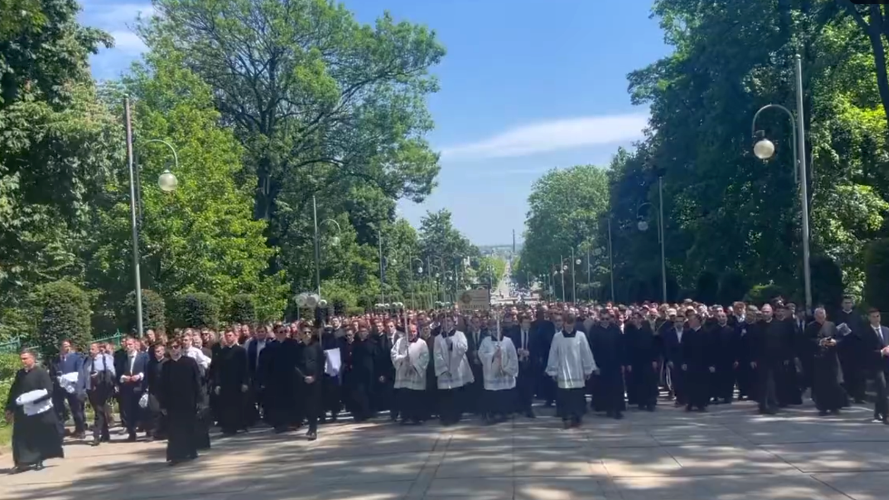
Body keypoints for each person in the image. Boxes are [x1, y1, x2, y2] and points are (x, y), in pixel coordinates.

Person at [5, 349, 64, 473]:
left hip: (38, 410)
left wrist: (34, 401)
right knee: (19, 437)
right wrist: (9, 408)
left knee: (38, 436)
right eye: (21, 359)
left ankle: (39, 460)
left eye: (25, 358)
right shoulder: (20, 374)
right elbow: (14, 391)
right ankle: (22, 462)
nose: (23, 361)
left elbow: (49, 390)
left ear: (33, 358)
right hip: (22, 410)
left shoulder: (41, 373)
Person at [546, 312, 597, 429]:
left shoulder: (581, 336)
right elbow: (553, 354)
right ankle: (566, 417)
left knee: (577, 396)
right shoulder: (557, 337)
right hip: (563, 370)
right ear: (564, 324)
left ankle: (577, 417)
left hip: (577, 371)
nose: (569, 326)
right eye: (567, 324)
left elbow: (586, 353)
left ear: (574, 324)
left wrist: (588, 369)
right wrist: (553, 371)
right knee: (564, 396)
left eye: (571, 324)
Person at [158, 339, 204, 465]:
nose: (174, 350)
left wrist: (200, 400)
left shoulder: (190, 362)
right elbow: (162, 387)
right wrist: (163, 404)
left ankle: (191, 451)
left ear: (180, 348)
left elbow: (197, 382)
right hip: (172, 403)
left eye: (176, 347)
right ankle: (175, 455)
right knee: (174, 430)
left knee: (189, 427)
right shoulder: (166, 366)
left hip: (188, 401)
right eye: (171, 347)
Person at [805, 308, 846, 415]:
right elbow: (806, 341)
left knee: (834, 383)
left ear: (825, 315)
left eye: (822, 315)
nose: (820, 317)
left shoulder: (831, 325)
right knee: (821, 384)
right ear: (815, 316)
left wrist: (835, 342)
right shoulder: (810, 327)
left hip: (831, 358)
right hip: (818, 359)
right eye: (818, 315)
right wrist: (820, 342)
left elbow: (840, 339)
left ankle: (835, 406)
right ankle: (822, 407)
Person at [433, 316, 474, 425]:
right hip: (444, 370)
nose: (447, 323)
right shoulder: (438, 338)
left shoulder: (459, 334)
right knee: (445, 394)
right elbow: (436, 354)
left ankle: (456, 415)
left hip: (457, 367)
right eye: (444, 321)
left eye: (449, 321)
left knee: (456, 393)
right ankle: (445, 416)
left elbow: (464, 347)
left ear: (453, 323)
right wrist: (444, 368)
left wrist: (452, 344)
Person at [478, 318, 518, 424]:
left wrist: (508, 369)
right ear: (490, 330)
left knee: (504, 394)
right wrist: (492, 355)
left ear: (501, 329)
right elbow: (481, 355)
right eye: (493, 328)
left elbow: (513, 357)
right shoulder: (486, 341)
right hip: (491, 373)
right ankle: (492, 413)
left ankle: (504, 412)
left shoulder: (508, 341)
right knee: (493, 394)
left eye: (497, 328)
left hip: (504, 373)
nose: (495, 331)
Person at [391, 323, 429, 425]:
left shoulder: (422, 343)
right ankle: (405, 416)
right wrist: (403, 358)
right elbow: (393, 354)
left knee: (416, 396)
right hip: (403, 373)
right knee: (404, 396)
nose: (412, 333)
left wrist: (415, 366)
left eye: (414, 331)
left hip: (415, 373)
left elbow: (425, 357)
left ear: (417, 331)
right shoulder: (400, 342)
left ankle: (416, 417)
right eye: (410, 331)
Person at [213, 329, 249, 435]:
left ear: (235, 336)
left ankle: (239, 425)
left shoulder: (241, 351)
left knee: (238, 404)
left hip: (237, 382)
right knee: (226, 406)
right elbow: (217, 369)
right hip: (225, 383)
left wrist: (245, 382)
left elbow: (245, 367)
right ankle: (228, 427)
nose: (228, 338)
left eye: (230, 335)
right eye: (226, 336)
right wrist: (217, 383)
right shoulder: (222, 351)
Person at [48, 339, 86, 440]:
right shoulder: (55, 360)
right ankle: (60, 432)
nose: (66, 348)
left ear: (71, 347)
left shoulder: (77, 358)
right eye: (64, 346)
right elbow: (51, 374)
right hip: (59, 388)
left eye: (67, 346)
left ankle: (80, 430)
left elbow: (79, 372)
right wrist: (57, 379)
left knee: (76, 409)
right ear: (60, 347)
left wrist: (69, 379)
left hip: (72, 387)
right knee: (59, 410)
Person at [83, 342, 115, 446]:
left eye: (92, 349)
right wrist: (81, 389)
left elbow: (112, 373)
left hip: (102, 389)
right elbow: (82, 376)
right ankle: (105, 434)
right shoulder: (86, 361)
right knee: (99, 412)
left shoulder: (105, 359)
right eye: (89, 349)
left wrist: (100, 375)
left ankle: (96, 435)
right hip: (90, 390)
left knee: (99, 412)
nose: (90, 351)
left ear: (98, 349)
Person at [296, 325, 324, 440]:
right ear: (301, 334)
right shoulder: (298, 348)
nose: (307, 334)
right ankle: (309, 426)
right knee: (305, 405)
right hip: (302, 380)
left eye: (308, 332)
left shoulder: (317, 346)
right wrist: (303, 377)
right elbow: (296, 365)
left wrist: (314, 377)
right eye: (304, 332)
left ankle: (313, 429)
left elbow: (321, 363)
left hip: (315, 380)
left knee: (313, 405)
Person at [118, 337, 149, 441]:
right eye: (127, 345)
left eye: (130, 344)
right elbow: (118, 372)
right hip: (127, 388)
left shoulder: (143, 356)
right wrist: (123, 378)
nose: (128, 346)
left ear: (135, 345)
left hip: (140, 387)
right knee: (128, 411)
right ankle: (132, 433)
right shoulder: (122, 358)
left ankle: (148, 432)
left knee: (143, 409)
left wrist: (140, 376)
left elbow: (147, 371)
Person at [862, 308, 889, 424]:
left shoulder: (886, 330)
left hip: (887, 364)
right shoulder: (866, 333)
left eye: (877, 316)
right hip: (875, 366)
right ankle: (886, 415)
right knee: (882, 389)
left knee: (884, 390)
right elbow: (865, 352)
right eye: (873, 317)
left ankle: (877, 412)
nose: (876, 319)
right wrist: (881, 352)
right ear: (869, 318)